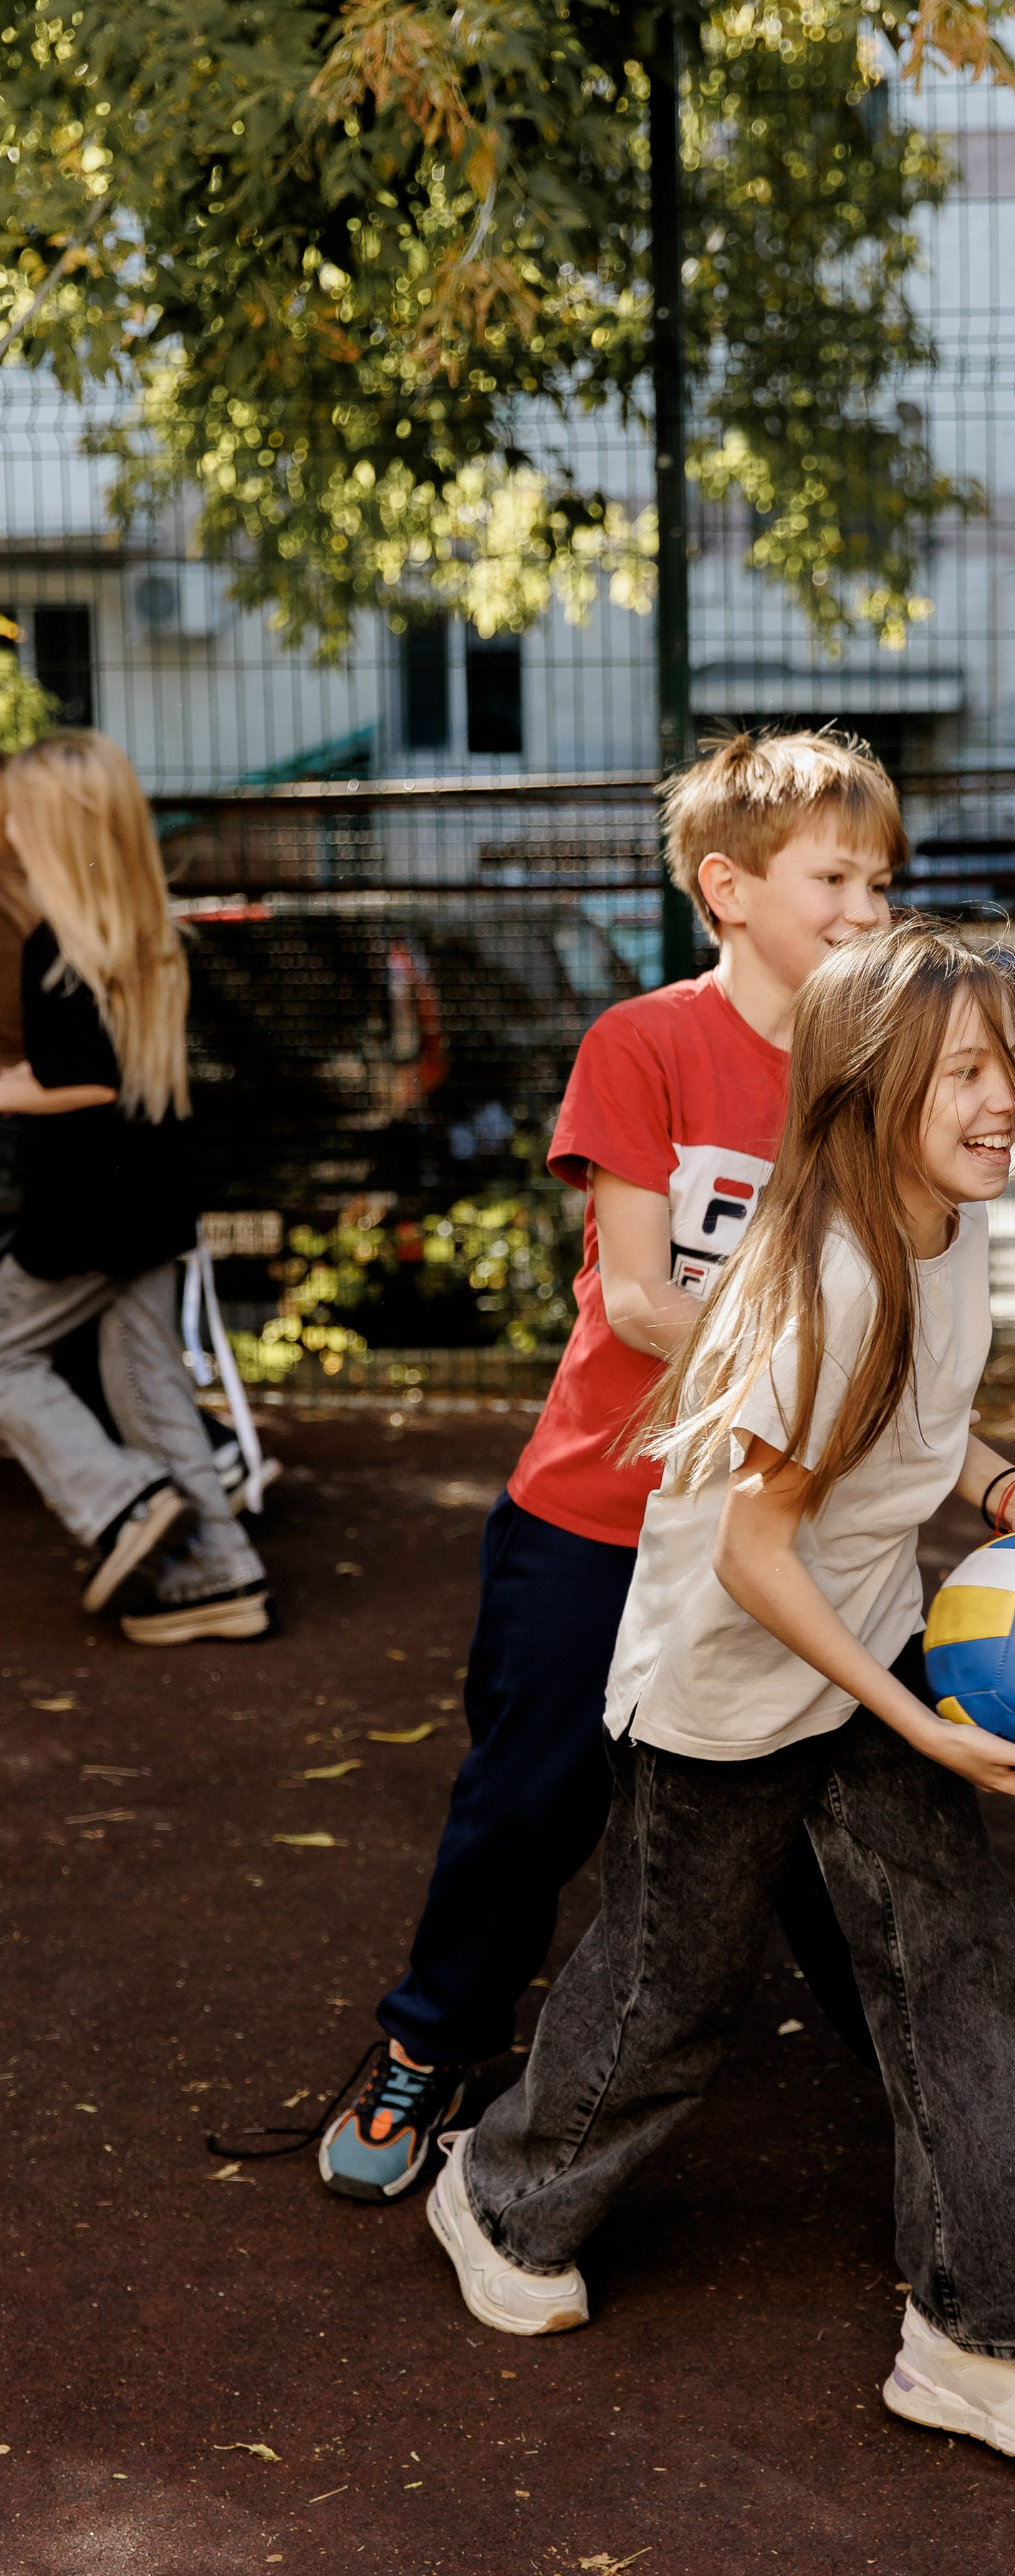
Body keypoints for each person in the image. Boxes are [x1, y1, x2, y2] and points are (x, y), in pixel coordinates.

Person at [425, 920, 1015, 2469]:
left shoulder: (948, 1225)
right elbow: (752, 1553)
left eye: (1008, 1060)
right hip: (730, 1685)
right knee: (675, 1994)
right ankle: (496, 2195)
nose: (1002, 1096)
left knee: (960, 1979)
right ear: (871, 1094)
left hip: (861, 1639)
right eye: (961, 1071)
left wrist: (1000, 1481)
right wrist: (918, 1720)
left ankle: (983, 2339)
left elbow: (919, 1422)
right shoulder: (825, 1285)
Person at [319, 730, 906, 2201]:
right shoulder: (644, 1045)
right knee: (529, 1802)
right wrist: (808, 1358)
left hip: (779, 1518)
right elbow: (639, 1297)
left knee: (831, 1850)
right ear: (727, 886)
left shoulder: (881, 1073)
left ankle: (955, 2125)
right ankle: (428, 2045)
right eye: (833, 875)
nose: (867, 906)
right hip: (596, 1512)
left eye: (882, 880)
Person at [0, 731, 268, 1643]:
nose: (5, 827)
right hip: (150, 1205)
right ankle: (222, 1572)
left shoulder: (55, 947)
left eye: (16, 813)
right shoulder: (146, 939)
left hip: (82, 1215)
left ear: (52, 830)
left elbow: (84, 1078)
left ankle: (121, 1503)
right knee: (148, 1384)